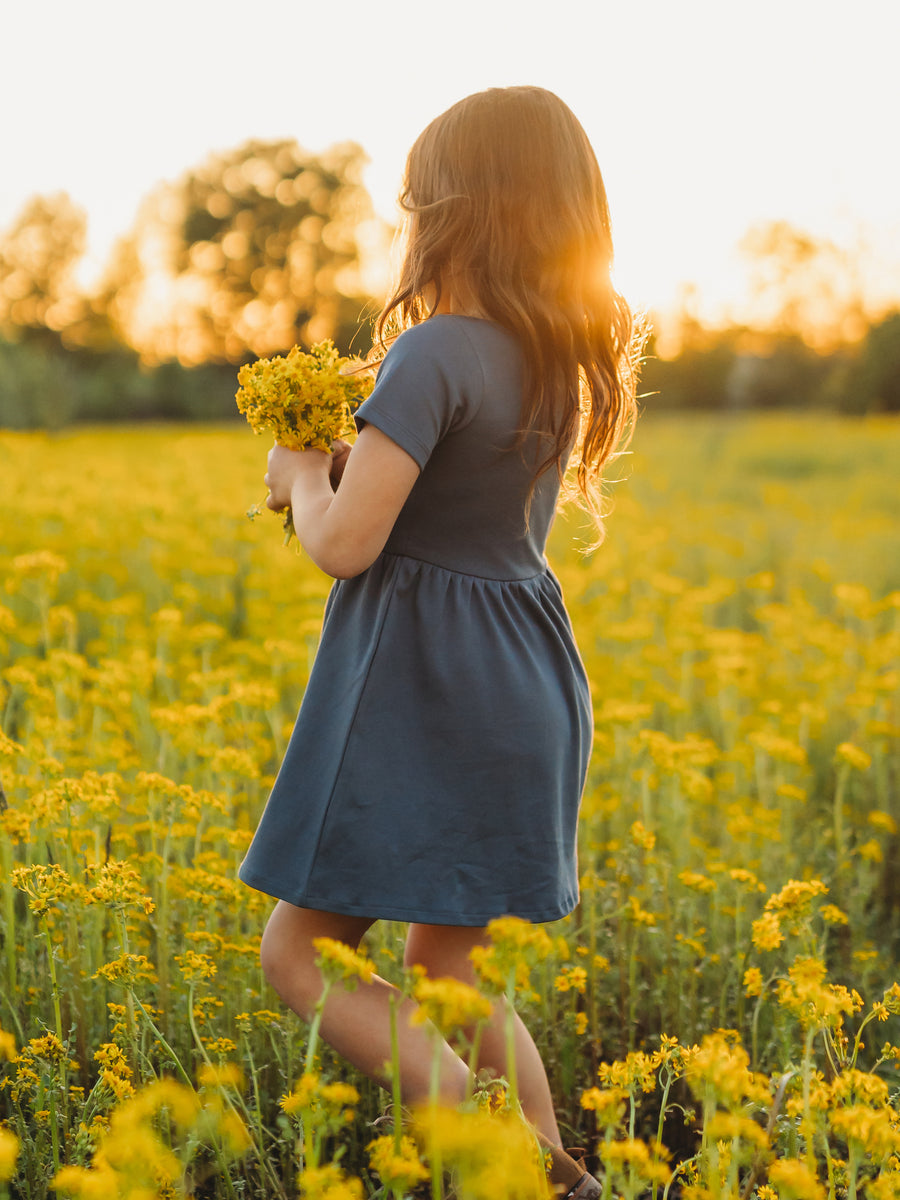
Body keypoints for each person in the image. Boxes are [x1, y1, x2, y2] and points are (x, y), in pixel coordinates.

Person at [238, 86, 642, 1199]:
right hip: (525, 684)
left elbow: (347, 545)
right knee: (453, 975)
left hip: (427, 689)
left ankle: (492, 1146)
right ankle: (559, 1177)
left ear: (454, 213)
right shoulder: (554, 361)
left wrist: (298, 474)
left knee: (298, 953)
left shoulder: (430, 357)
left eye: (415, 202)